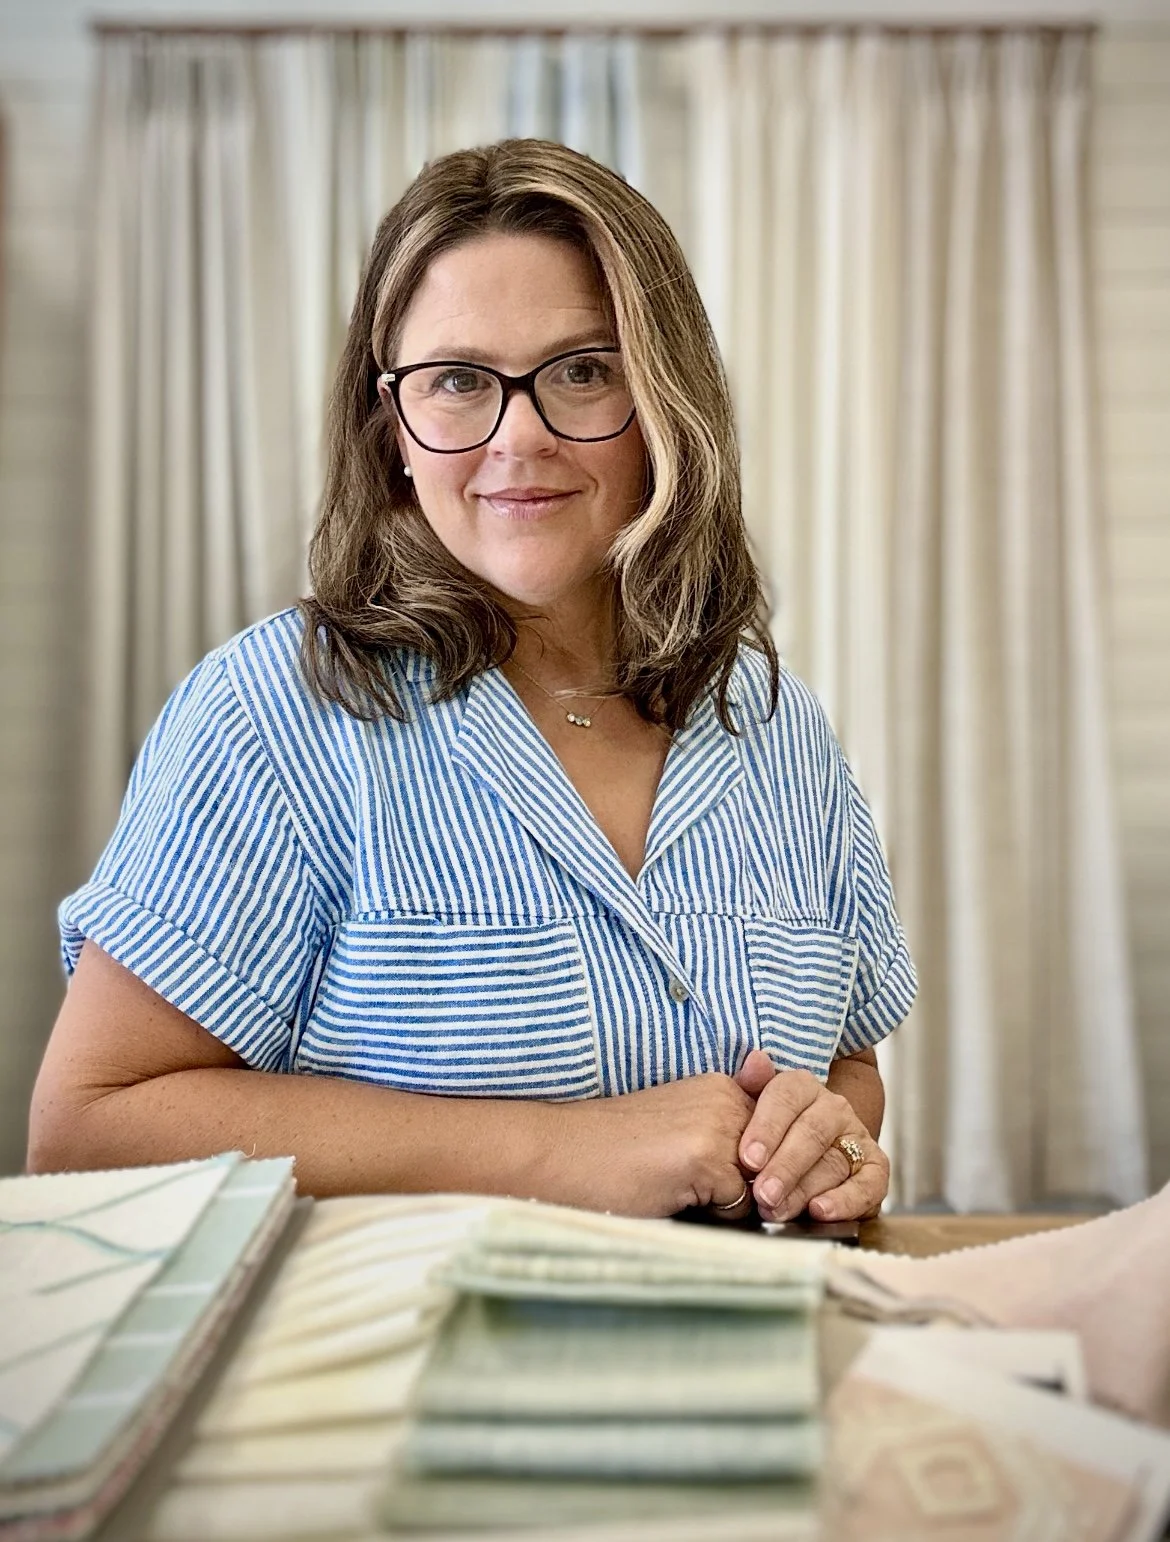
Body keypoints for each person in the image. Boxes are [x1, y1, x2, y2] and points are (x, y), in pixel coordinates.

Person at [28, 139, 915, 1225]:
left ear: (664, 403)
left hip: (764, 1367)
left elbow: (850, 1067)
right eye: (457, 381)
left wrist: (832, 1142)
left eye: (584, 371)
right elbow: (85, 1130)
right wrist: (556, 1151)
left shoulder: (777, 727)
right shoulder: (272, 715)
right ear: (391, 426)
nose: (523, 435)